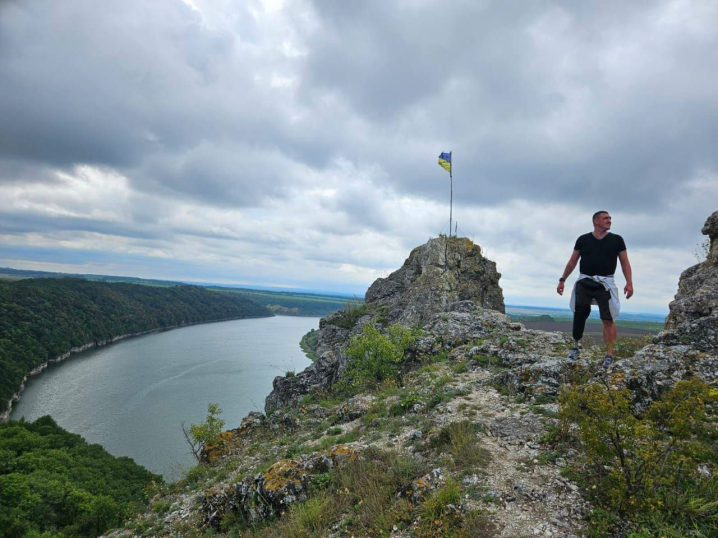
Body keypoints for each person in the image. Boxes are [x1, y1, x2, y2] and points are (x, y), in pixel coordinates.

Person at [556, 211, 633, 371]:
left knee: (608, 318)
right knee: (580, 313)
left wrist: (629, 282)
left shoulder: (617, 240)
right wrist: (562, 279)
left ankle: (609, 355)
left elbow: (625, 262)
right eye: (606, 218)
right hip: (585, 281)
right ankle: (576, 346)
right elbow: (572, 262)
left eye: (610, 218)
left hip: (605, 283)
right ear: (596, 221)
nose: (609, 221)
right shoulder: (583, 240)